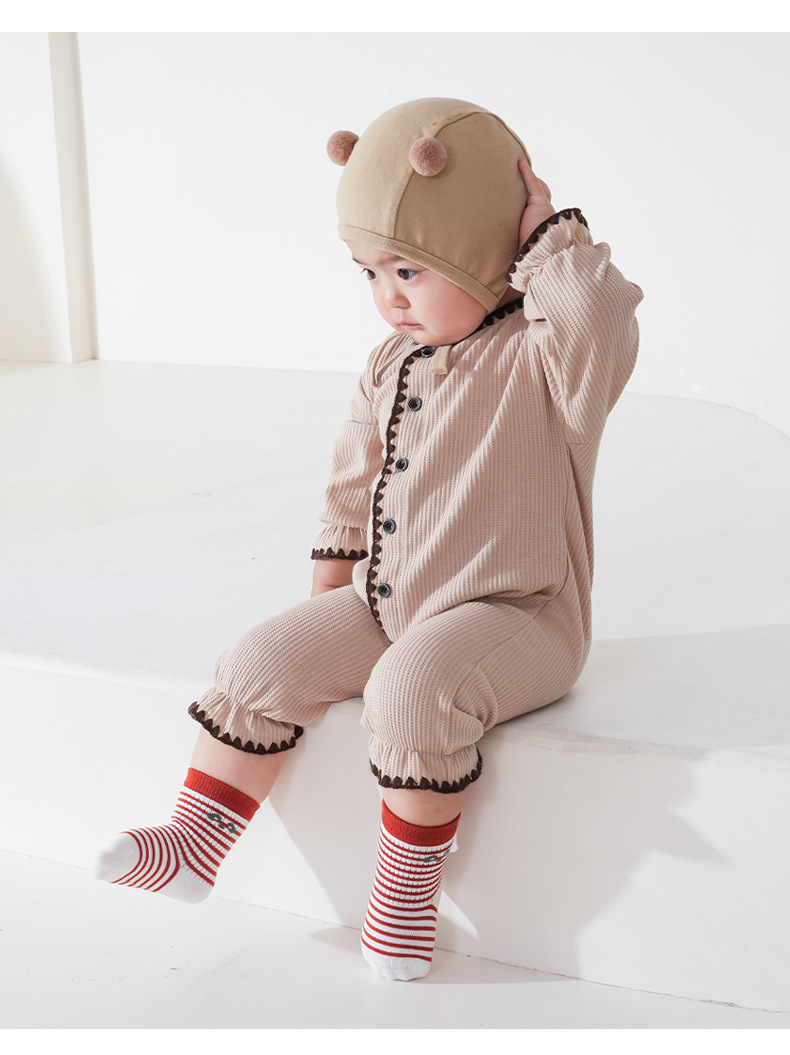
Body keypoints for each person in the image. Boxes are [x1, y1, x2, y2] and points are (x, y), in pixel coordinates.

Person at [91, 97, 643, 982]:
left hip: (519, 614)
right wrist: (324, 615)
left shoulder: (545, 359)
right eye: (370, 273)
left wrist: (546, 237)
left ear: (483, 249)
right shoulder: (391, 362)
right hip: (389, 599)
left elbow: (601, 321)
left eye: (411, 270)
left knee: (411, 690)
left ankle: (404, 892)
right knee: (259, 658)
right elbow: (353, 484)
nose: (389, 297)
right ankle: (196, 841)